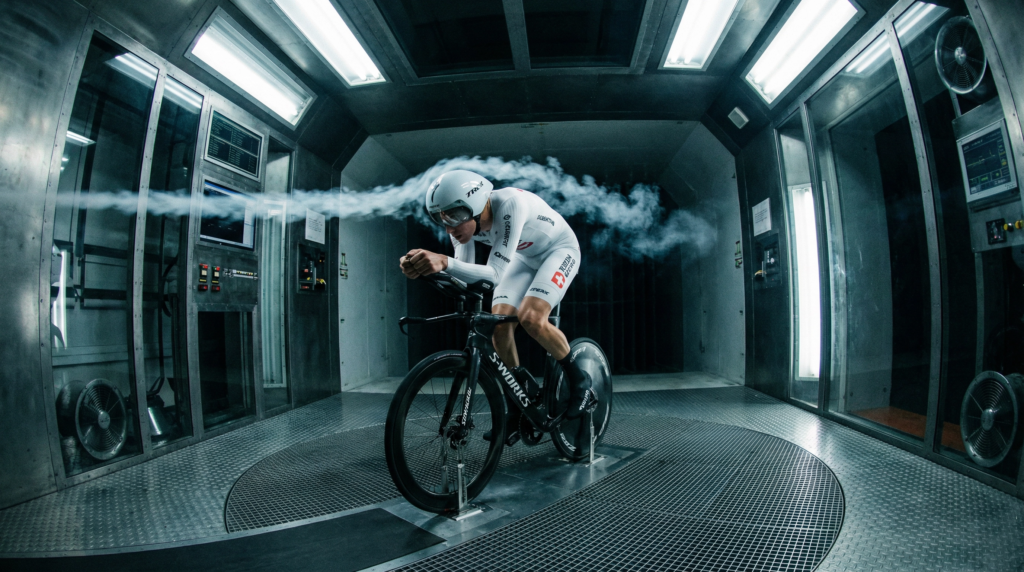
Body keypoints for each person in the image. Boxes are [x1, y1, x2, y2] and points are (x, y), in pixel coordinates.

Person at [400, 169, 597, 444]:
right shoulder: (462, 223)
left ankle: (581, 383)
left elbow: (492, 275)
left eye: (454, 216)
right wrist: (423, 269)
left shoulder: (509, 206)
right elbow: (461, 273)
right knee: (499, 326)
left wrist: (442, 262)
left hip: (559, 250)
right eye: (440, 218)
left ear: (478, 205)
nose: (449, 227)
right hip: (523, 256)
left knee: (531, 318)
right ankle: (518, 406)